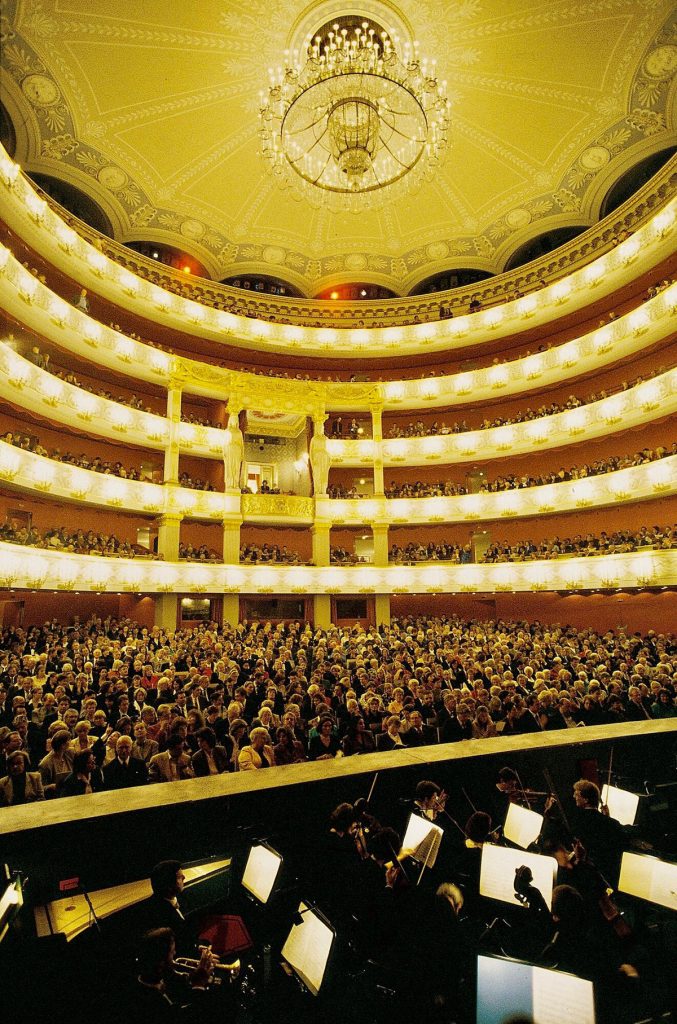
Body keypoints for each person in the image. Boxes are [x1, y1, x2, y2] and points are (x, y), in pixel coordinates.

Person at [134, 926, 216, 1023]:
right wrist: (199, 984)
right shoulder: (146, 1001)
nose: (175, 953)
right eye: (172, 953)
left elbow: (181, 985)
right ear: (161, 961)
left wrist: (194, 974)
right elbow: (188, 1017)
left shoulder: (161, 976)